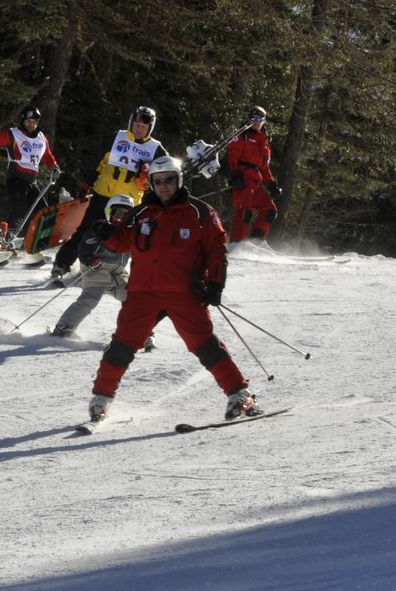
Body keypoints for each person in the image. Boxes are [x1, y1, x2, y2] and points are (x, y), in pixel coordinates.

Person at [85, 155, 260, 423]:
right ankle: (101, 400)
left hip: (184, 292)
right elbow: (122, 241)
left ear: (178, 181)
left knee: (204, 345)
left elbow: (216, 251)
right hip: (143, 293)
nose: (164, 186)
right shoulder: (139, 214)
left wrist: (215, 284)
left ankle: (239, 394)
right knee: (121, 345)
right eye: (158, 181)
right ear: (151, 184)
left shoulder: (200, 212)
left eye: (169, 180)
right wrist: (107, 233)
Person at [50, 105, 168, 284]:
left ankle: (117, 271)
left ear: (149, 128)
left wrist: (149, 178)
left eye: (142, 127)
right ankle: (61, 265)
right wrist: (86, 182)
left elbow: (166, 173)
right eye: (135, 124)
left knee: (126, 238)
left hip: (129, 202)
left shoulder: (156, 149)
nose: (138, 128)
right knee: (87, 230)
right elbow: (94, 159)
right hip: (104, 194)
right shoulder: (116, 137)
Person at [50, 194, 152, 351]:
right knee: (89, 299)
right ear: (108, 212)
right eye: (116, 213)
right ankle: (64, 327)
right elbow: (83, 248)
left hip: (117, 272)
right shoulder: (99, 229)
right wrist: (90, 260)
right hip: (96, 270)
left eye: (125, 214)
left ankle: (141, 332)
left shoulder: (130, 233)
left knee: (132, 296)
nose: (120, 218)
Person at [0, 105, 61, 239]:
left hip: (31, 180)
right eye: (29, 121)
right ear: (23, 121)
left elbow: (47, 155)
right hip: (16, 177)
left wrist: (54, 167)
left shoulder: (41, 137)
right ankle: (7, 236)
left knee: (42, 210)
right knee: (18, 207)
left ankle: (38, 240)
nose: (32, 125)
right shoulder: (14, 134)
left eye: (34, 122)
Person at [225, 106, 280, 245]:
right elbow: (232, 156)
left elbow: (264, 167)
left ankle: (257, 242)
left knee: (270, 210)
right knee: (244, 212)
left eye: (259, 119)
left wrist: (271, 184)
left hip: (256, 182)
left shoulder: (264, 140)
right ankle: (236, 244)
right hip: (243, 180)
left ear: (263, 121)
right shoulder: (242, 135)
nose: (256, 122)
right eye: (253, 118)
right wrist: (235, 175)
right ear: (249, 119)